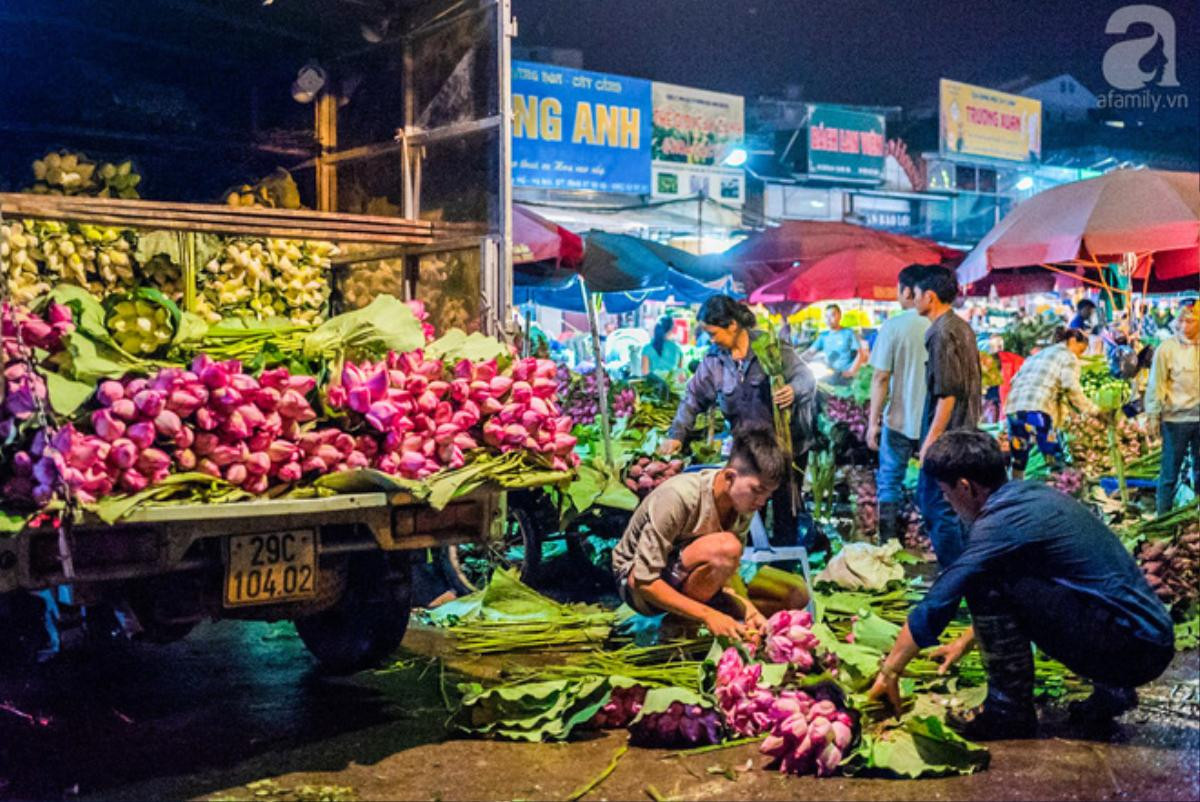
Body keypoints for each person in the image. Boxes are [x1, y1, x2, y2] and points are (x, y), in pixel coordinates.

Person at [867, 431, 1174, 739]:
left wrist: (891, 669)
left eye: (945, 492)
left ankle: (1007, 712)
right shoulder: (1028, 496)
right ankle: (1111, 690)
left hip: (1131, 650)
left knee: (980, 579)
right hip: (1146, 639)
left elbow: (942, 597)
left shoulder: (999, 523)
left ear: (965, 486)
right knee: (998, 572)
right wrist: (965, 641)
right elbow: (1042, 594)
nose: (946, 501)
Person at [662, 296, 818, 550]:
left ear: (732, 325)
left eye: (714, 333)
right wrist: (676, 434)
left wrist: (793, 389)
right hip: (749, 452)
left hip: (786, 447)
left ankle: (785, 572)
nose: (711, 339)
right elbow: (692, 398)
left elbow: (806, 378)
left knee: (784, 512)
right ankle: (743, 570)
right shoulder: (714, 362)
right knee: (743, 511)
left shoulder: (772, 349)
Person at [612, 427, 792, 641]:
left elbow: (728, 572)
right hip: (639, 587)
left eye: (768, 495)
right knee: (726, 548)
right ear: (730, 477)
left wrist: (749, 613)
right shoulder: (678, 496)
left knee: (794, 593)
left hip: (688, 577)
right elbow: (642, 580)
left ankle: (689, 619)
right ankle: (678, 627)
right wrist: (709, 616)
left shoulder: (744, 506)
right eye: (757, 490)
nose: (762, 502)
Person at [913, 266, 981, 567]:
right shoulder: (961, 327)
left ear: (930, 296)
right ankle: (966, 577)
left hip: (949, 436)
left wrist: (931, 440)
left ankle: (955, 578)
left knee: (936, 506)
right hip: (964, 431)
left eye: (916, 295)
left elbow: (948, 393)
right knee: (955, 509)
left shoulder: (940, 332)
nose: (914, 300)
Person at [866, 264, 931, 544]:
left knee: (890, 481)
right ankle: (929, 540)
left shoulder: (893, 326)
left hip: (898, 419)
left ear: (907, 290)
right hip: (933, 421)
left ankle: (888, 544)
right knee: (933, 483)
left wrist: (873, 422)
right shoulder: (939, 324)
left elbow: (881, 377)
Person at [1004, 327, 1101, 479]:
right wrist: (1092, 409)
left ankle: (1014, 491)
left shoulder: (1038, 355)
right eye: (1081, 350)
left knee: (1018, 459)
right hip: (1037, 412)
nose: (1079, 355)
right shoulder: (1068, 356)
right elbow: (1071, 387)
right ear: (1073, 340)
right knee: (1054, 457)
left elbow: (1013, 380)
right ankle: (1065, 490)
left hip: (1013, 410)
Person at [1145, 299, 1199, 515]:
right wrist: (1152, 415)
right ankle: (1163, 517)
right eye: (1181, 320)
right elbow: (1156, 384)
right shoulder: (1166, 349)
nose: (1184, 326)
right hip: (1175, 421)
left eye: (1191, 321)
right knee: (1169, 473)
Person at [803, 305, 867, 383]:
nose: (829, 319)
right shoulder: (823, 336)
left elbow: (860, 354)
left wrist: (851, 371)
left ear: (840, 316)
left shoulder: (848, 333)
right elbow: (810, 352)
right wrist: (797, 360)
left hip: (844, 376)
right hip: (828, 375)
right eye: (826, 316)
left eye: (832, 315)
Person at [641, 315, 683, 382]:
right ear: (671, 330)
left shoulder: (647, 349)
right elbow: (680, 376)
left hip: (654, 388)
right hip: (672, 389)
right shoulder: (677, 349)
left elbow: (645, 373)